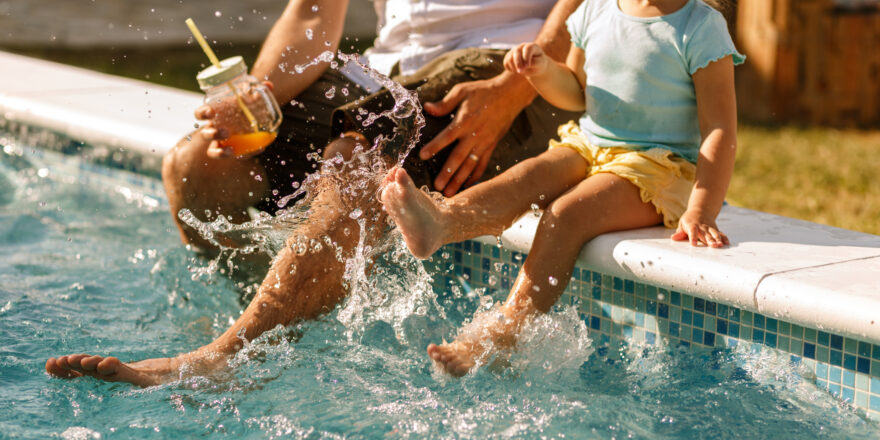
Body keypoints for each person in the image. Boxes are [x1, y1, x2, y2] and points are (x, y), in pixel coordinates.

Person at [44, 0, 584, 385]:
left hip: (510, 69)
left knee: (359, 151)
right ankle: (264, 318)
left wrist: (513, 91)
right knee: (196, 166)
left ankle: (230, 356)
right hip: (390, 74)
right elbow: (310, 13)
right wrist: (261, 96)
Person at [380, 0, 744, 376]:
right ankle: (441, 221)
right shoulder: (596, 9)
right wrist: (543, 71)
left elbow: (719, 128)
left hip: (659, 166)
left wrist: (702, 208)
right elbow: (576, 90)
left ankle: (509, 328)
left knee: (568, 213)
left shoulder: (700, 26)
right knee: (529, 175)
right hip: (591, 144)